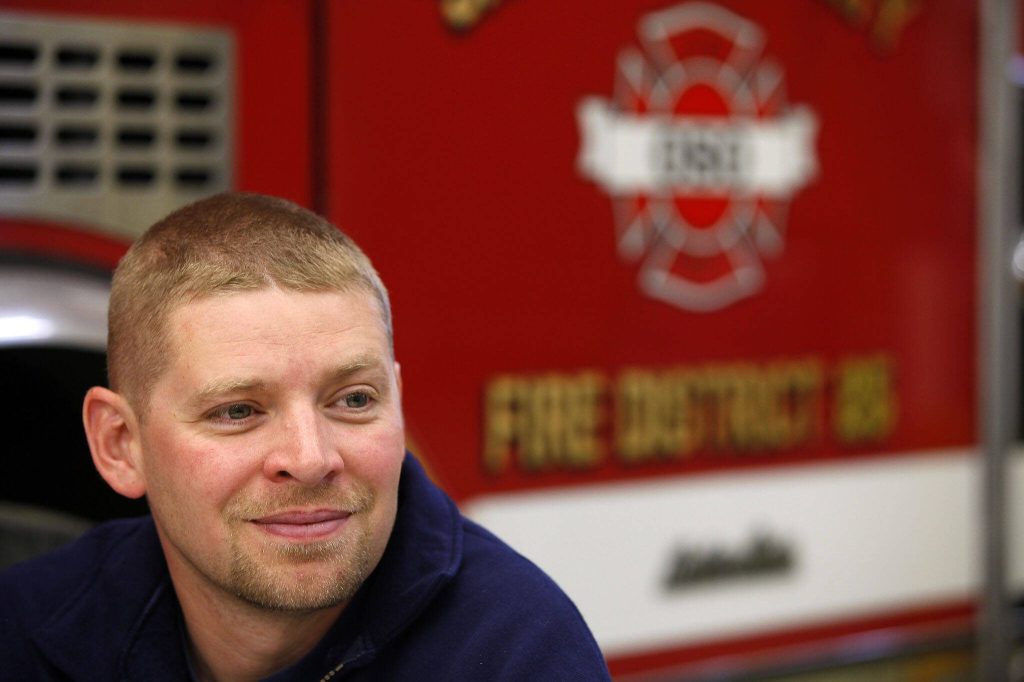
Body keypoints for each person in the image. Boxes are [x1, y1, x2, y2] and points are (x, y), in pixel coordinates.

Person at [0, 193, 611, 681]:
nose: (311, 458)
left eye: (353, 400)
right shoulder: (28, 627)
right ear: (119, 445)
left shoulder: (520, 653)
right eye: (238, 411)